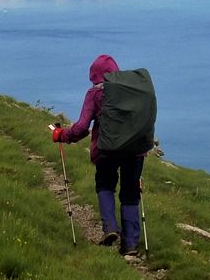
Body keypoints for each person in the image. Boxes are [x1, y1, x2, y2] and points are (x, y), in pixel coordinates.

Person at [51, 54, 144, 255]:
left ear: (94, 75)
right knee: (130, 194)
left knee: (105, 185)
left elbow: (82, 127)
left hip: (107, 149)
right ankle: (130, 245)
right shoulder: (131, 90)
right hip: (134, 150)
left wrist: (62, 135)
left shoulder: (94, 94)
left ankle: (110, 228)